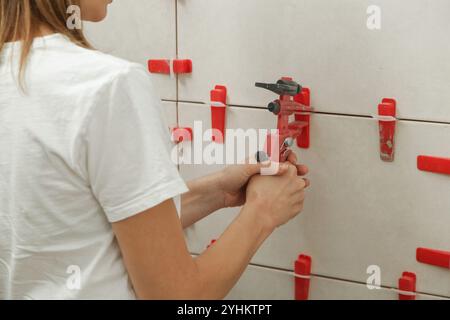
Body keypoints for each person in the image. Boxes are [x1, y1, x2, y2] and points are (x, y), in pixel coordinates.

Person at [0, 0, 309, 299]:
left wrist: (218, 193)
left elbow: (78, 226)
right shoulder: (107, 85)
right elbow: (177, 296)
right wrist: (262, 211)